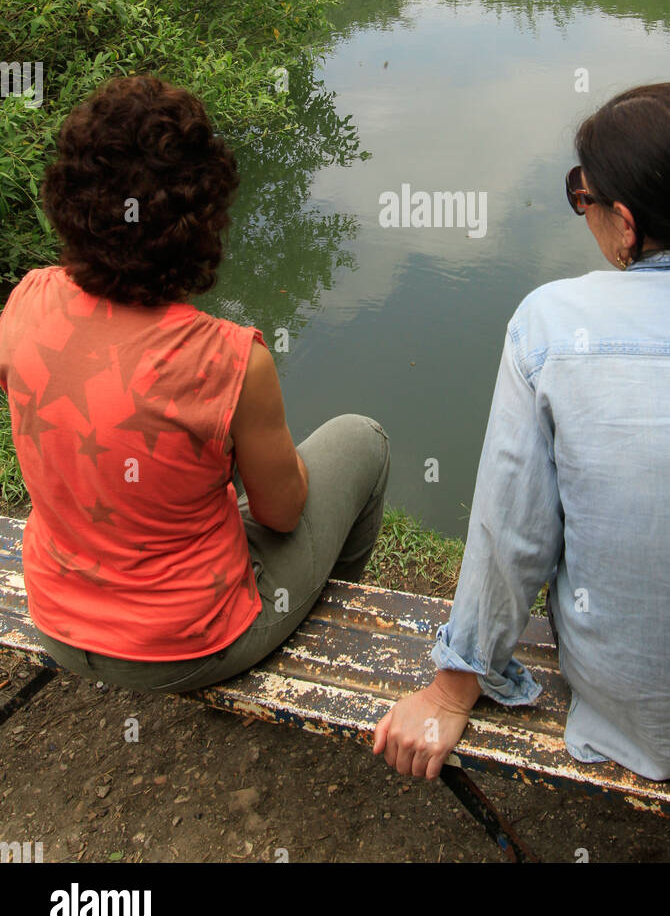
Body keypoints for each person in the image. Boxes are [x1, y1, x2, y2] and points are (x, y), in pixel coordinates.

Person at [373, 81, 670, 783]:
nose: (582, 208)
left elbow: (514, 535)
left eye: (584, 194)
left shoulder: (552, 323)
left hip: (641, 722)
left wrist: (449, 693)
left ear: (626, 222)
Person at [0, 74, 389, 694]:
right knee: (362, 439)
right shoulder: (229, 358)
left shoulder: (28, 301)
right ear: (204, 218)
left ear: (70, 200)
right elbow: (283, 514)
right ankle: (325, 633)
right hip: (189, 646)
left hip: (56, 619)